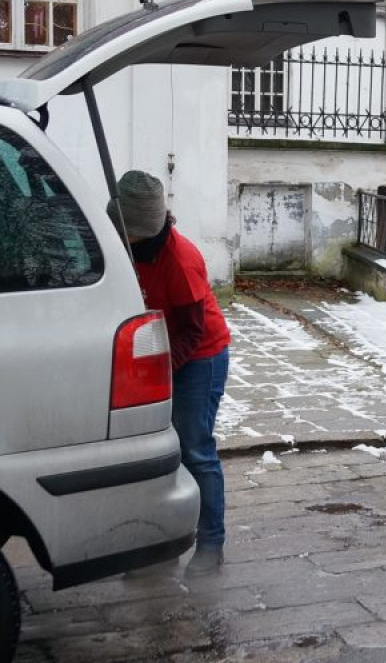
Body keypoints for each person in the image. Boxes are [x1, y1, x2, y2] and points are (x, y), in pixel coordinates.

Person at [110, 170, 231, 577]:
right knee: (157, 453)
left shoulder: (180, 259)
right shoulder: (124, 246)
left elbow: (194, 332)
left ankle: (211, 543)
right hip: (157, 351)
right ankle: (158, 548)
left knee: (195, 449)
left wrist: (161, 375)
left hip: (200, 357)